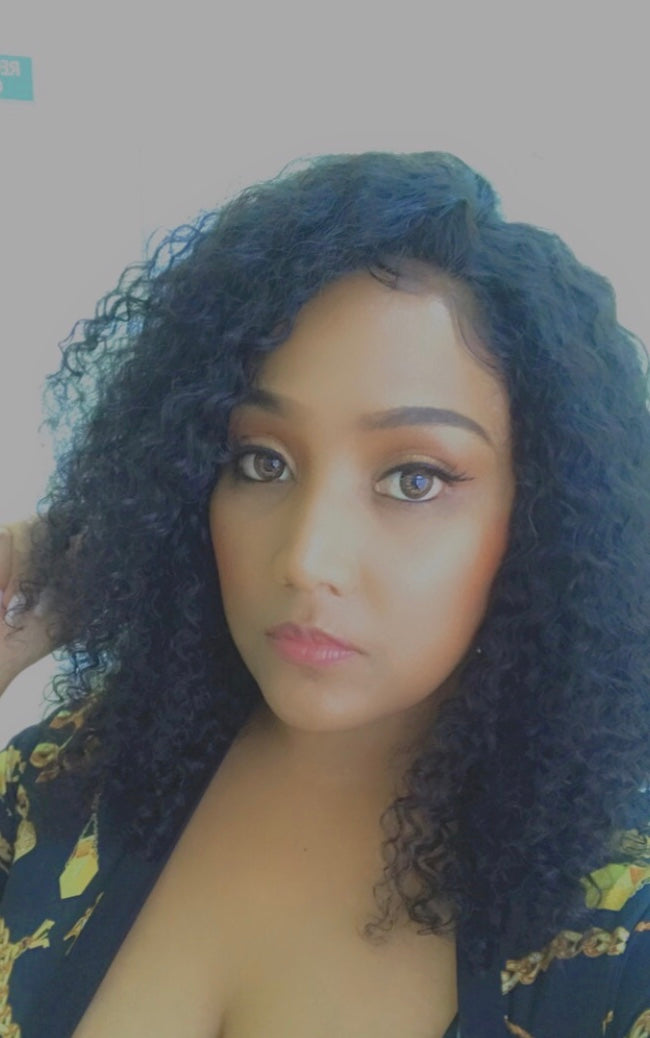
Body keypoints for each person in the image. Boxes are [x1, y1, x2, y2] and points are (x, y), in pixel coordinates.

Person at [0, 151, 649, 1038]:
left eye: (415, 478)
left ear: (547, 518)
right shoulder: (65, 779)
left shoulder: (620, 924)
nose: (307, 558)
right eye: (261, 461)